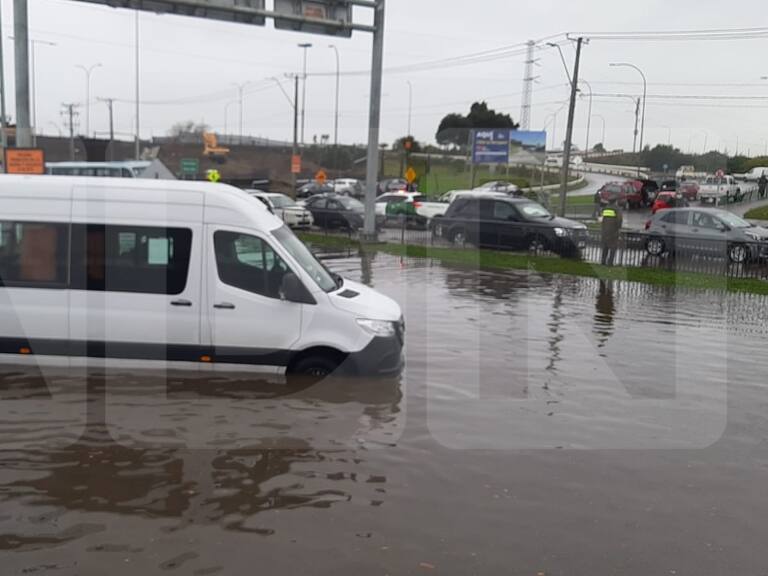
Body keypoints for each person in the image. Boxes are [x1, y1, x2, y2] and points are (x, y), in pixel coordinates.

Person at [600, 199, 623, 267]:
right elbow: (619, 219)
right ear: (615, 202)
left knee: (605, 247)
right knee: (613, 247)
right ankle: (610, 262)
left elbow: (601, 219)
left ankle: (603, 261)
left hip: (605, 231)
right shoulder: (617, 209)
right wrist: (619, 228)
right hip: (613, 231)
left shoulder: (605, 208)